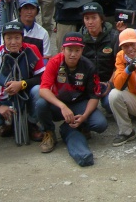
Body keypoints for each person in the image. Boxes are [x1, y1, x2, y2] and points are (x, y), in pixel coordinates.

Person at [35, 32, 108, 165]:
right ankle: (49, 132)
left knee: (100, 124)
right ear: (62, 49)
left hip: (80, 103)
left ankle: (80, 125)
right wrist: (62, 106)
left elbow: (94, 97)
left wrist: (85, 116)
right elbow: (43, 89)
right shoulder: (54, 62)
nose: (73, 54)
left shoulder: (89, 66)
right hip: (59, 104)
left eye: (77, 50)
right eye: (69, 50)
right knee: (41, 104)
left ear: (82, 50)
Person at [0, 21, 44, 140]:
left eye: (17, 38)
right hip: (3, 98)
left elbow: (42, 77)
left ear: (22, 38)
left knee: (39, 90)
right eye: (9, 38)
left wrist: (22, 84)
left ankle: (31, 123)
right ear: (3, 39)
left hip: (27, 97)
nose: (13, 42)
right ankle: (9, 122)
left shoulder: (32, 50)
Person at [79, 2, 119, 103]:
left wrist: (110, 84)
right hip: (86, 82)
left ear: (101, 19)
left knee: (109, 104)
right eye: (87, 18)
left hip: (108, 81)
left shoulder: (114, 36)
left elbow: (119, 65)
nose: (90, 22)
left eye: (94, 18)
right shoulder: (79, 38)